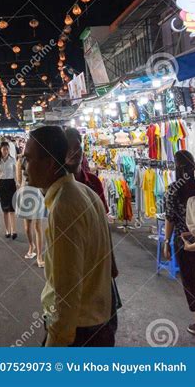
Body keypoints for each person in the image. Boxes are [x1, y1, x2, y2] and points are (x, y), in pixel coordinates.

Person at [25, 125, 116, 347]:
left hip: (80, 332)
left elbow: (67, 291)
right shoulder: (85, 193)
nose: (24, 167)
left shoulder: (65, 205)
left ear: (48, 164)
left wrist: (55, 344)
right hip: (96, 323)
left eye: (28, 159)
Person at [163, 150, 195, 337]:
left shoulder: (173, 189)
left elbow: (169, 217)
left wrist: (166, 241)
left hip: (183, 241)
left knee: (190, 279)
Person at [65, 128, 108, 212]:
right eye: (68, 148)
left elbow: (102, 214)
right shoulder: (57, 185)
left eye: (77, 147)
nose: (73, 152)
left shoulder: (94, 181)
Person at [16, 154, 44, 266]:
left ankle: (39, 256)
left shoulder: (43, 158)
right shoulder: (23, 159)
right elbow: (18, 179)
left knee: (37, 225)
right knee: (27, 226)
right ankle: (31, 245)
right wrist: (19, 164)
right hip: (26, 193)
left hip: (38, 192)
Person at [0, 141, 18, 239]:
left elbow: (16, 174)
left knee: (12, 209)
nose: (5, 151)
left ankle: (14, 231)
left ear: (9, 150)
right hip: (2, 184)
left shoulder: (12, 159)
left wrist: (18, 185)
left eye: (7, 149)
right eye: (4, 149)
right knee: (5, 210)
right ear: (0, 150)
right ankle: (7, 230)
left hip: (11, 185)